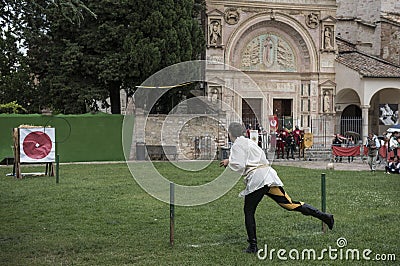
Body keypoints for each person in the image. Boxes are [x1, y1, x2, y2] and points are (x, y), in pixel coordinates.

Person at [220, 122, 334, 253]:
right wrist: (230, 160)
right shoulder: (248, 142)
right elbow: (251, 158)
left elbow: (239, 164)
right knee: (289, 204)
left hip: (258, 180)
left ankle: (253, 245)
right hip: (268, 176)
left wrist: (230, 163)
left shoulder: (237, 145)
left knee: (249, 211)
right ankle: (325, 217)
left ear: (231, 133)